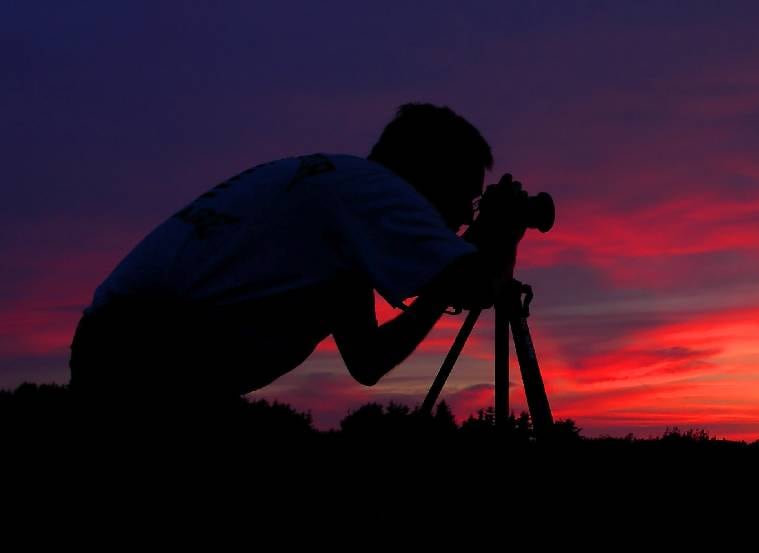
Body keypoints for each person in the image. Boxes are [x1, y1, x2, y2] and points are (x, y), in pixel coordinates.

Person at [69, 103, 528, 421]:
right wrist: (502, 235)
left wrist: (442, 285)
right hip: (151, 360)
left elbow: (368, 361)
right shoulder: (375, 190)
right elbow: (480, 286)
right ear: (430, 175)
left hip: (135, 353)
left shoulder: (337, 212)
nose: (460, 219)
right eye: (463, 199)